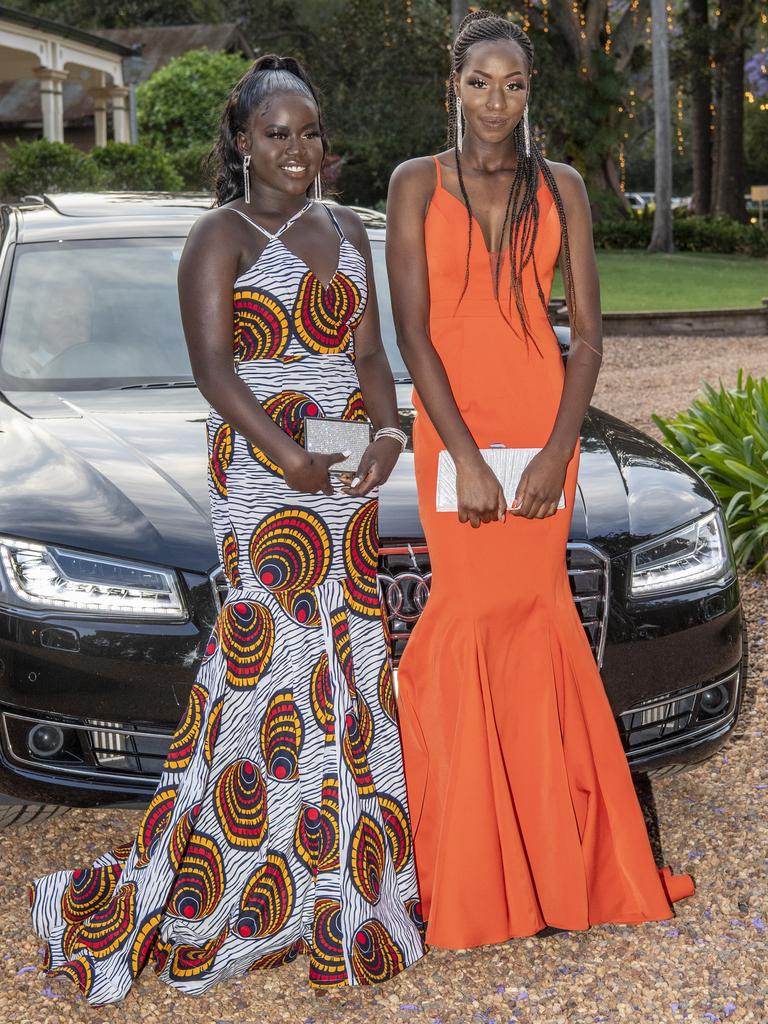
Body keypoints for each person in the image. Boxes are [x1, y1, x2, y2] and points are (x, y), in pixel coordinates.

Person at [26, 54, 425, 1005]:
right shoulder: (219, 238)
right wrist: (286, 457)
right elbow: (214, 370)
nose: (298, 150)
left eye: (310, 133)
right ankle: (234, 888)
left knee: (347, 662)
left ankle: (337, 886)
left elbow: (369, 351)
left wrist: (387, 428)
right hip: (263, 475)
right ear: (242, 142)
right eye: (277, 134)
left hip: (344, 478)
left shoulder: (345, 229)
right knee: (266, 672)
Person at [385, 11, 694, 950]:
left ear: (530, 92)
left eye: (513, 84)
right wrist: (466, 456)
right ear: (454, 87)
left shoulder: (560, 187)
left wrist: (561, 451)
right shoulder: (412, 184)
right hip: (456, 437)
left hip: (539, 428)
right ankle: (469, 867)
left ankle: (559, 863)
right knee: (467, 622)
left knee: (540, 623)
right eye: (479, 83)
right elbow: (414, 334)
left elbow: (589, 335)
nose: (495, 102)